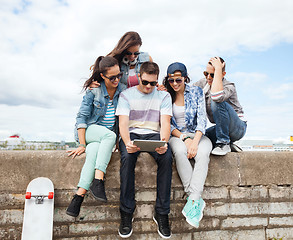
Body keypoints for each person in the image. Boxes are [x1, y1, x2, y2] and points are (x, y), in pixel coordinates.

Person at [115, 61, 173, 239]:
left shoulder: (164, 96)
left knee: (167, 157)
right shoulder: (126, 95)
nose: (149, 87)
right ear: (139, 77)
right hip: (131, 134)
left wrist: (163, 143)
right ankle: (126, 213)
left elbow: (165, 124)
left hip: (154, 134)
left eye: (153, 83)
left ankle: (162, 213)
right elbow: (123, 124)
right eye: (145, 82)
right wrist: (127, 142)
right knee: (127, 159)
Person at [66, 56, 123, 217]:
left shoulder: (122, 91)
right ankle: (98, 180)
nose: (117, 79)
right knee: (109, 136)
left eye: (119, 75)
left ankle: (78, 197)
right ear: (103, 76)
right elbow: (81, 119)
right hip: (90, 131)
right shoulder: (94, 91)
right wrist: (82, 144)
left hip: (102, 140)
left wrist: (161, 87)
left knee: (93, 154)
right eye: (112, 77)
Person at [163, 62, 212, 228]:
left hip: (198, 134)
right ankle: (196, 200)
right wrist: (185, 139)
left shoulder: (196, 92)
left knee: (203, 154)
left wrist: (195, 142)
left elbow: (202, 120)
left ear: (185, 78)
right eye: (171, 81)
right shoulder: (166, 96)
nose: (175, 84)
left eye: (178, 80)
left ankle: (193, 200)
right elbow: (168, 124)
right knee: (178, 152)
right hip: (177, 135)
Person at [194, 57, 247, 155]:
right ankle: (230, 144)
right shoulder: (202, 83)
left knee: (216, 101)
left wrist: (218, 69)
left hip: (237, 128)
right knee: (202, 136)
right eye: (206, 73)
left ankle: (223, 143)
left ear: (222, 74)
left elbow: (217, 96)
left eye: (212, 75)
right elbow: (186, 92)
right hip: (220, 128)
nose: (208, 77)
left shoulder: (229, 86)